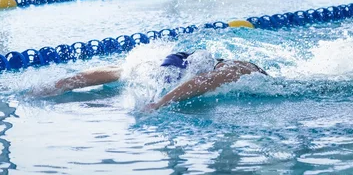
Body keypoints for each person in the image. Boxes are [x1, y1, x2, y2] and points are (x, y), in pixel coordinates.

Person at [50, 50, 268, 110]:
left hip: (182, 59)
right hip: (186, 63)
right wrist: (159, 104)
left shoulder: (237, 69)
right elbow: (202, 83)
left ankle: (61, 83)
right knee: (143, 76)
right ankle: (63, 83)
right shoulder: (237, 71)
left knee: (129, 72)